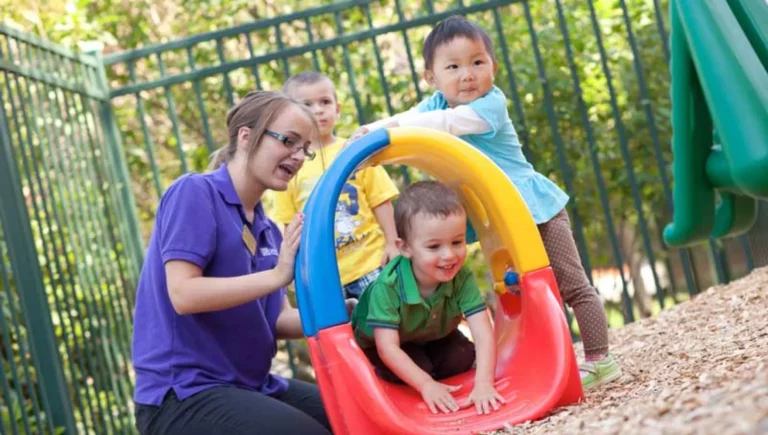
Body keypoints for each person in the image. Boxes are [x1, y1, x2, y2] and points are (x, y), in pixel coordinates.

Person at [348, 15, 621, 390]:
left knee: (569, 284)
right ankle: (545, 360)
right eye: (453, 67)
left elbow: (446, 124)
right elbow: (409, 119)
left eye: (477, 62)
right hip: (500, 218)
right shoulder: (434, 105)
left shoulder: (488, 105)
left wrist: (388, 131)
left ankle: (600, 358)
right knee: (517, 292)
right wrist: (373, 132)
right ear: (432, 77)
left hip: (534, 209)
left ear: (493, 65)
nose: (467, 75)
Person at [131, 90, 344, 435]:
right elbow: (184, 294)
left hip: (251, 386)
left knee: (351, 416)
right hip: (184, 394)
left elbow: (278, 320)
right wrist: (277, 276)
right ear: (246, 137)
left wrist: (344, 309)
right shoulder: (195, 193)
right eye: (289, 141)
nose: (299, 155)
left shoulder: (268, 230)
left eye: (305, 147)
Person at [351, 181, 504, 416]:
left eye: (457, 242)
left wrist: (484, 384)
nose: (449, 255)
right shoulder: (388, 286)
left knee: (461, 357)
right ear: (405, 248)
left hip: (432, 333)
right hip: (387, 343)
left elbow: (483, 332)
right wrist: (426, 384)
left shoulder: (460, 277)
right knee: (415, 370)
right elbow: (388, 349)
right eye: (434, 247)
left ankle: (430, 365)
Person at [269, 71, 400, 299]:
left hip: (371, 262)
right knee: (341, 331)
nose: (318, 110)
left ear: (337, 110)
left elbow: (381, 199)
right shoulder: (290, 165)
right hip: (326, 276)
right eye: (307, 105)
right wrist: (299, 267)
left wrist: (392, 242)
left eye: (325, 102)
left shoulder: (356, 150)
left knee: (388, 321)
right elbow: (291, 223)